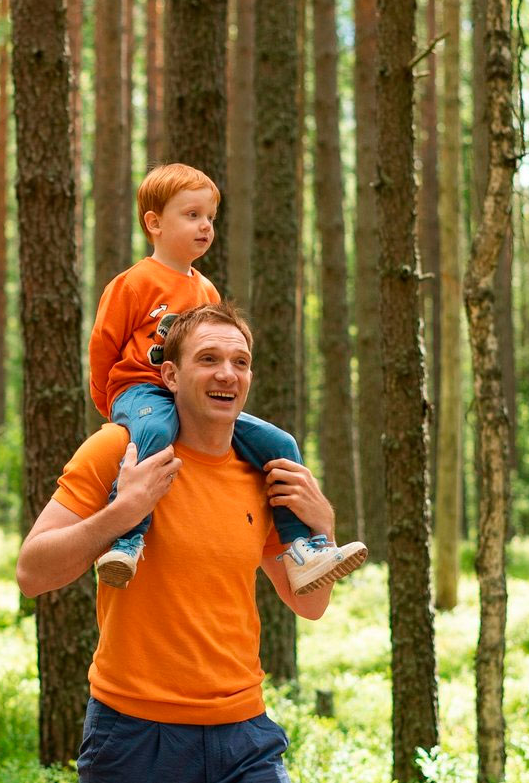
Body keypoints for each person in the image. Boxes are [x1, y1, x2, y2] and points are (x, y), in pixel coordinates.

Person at [18, 302, 363, 782]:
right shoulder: (119, 452)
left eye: (240, 362)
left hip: (245, 733)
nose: (227, 374)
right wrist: (123, 511)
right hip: (134, 736)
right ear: (170, 375)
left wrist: (322, 527)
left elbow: (310, 604)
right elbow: (32, 573)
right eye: (208, 359)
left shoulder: (263, 473)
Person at [88, 163, 366, 595]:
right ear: (155, 223)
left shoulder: (207, 293)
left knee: (281, 444)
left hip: (192, 398)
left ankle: (303, 550)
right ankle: (127, 539)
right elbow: (104, 344)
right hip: (140, 391)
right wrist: (110, 404)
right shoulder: (133, 283)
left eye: (210, 218)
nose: (205, 227)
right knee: (156, 429)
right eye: (192, 215)